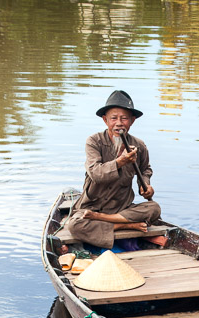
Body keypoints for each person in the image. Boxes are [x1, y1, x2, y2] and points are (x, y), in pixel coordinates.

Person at [61, 90, 166, 252]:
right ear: (105, 120)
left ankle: (103, 220)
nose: (119, 123)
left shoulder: (139, 145)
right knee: (75, 225)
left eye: (124, 118)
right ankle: (120, 225)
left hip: (122, 208)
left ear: (132, 120)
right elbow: (96, 173)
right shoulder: (94, 142)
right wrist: (120, 162)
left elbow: (145, 169)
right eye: (114, 118)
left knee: (154, 208)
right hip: (92, 207)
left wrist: (145, 185)